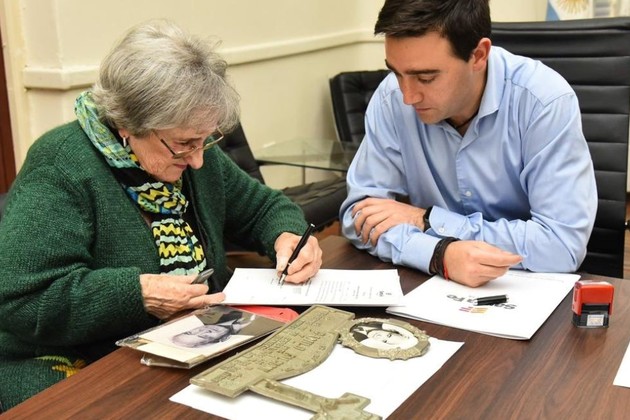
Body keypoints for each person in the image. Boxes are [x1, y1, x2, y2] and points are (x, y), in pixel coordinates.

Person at [0, 20, 322, 410]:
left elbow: (263, 207)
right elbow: (24, 301)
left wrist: (286, 236)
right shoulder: (61, 166)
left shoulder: (191, 151)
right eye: (184, 144)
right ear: (127, 124)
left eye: (206, 140)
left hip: (185, 341)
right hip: (75, 361)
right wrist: (137, 294)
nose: (198, 160)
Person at [340, 0, 597, 288]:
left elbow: (561, 246)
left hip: (527, 287)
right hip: (435, 285)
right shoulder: (391, 99)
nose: (408, 96)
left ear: (478, 55)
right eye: (397, 73)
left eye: (426, 78)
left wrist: (427, 220)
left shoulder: (544, 102)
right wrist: (439, 254)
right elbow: (359, 217)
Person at [171, 310, 256, 348]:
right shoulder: (252, 337)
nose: (205, 331)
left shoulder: (208, 313)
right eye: (204, 336)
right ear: (223, 339)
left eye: (190, 333)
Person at [351, 322, 418, 350]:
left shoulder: (359, 338)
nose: (379, 337)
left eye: (384, 341)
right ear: (392, 331)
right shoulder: (375, 324)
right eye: (389, 335)